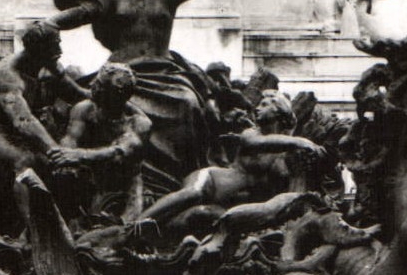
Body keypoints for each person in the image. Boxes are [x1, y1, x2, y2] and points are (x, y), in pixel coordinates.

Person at [44, 0, 241, 194]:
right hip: (121, 77)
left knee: (188, 103)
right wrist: (50, 25)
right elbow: (83, 13)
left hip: (164, 74)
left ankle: (182, 182)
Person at [135, 90, 325, 231]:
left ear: (278, 111)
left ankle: (155, 232)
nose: (257, 108)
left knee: (204, 215)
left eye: (265, 105)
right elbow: (259, 143)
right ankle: (136, 225)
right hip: (212, 180)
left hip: (228, 204)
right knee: (192, 193)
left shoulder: (286, 153)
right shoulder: (252, 133)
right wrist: (300, 141)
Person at [0, 22, 85, 235]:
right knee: (26, 160)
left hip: (28, 134)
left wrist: (95, 97)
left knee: (69, 166)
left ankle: (71, 223)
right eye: (54, 47)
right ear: (37, 50)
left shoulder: (48, 61)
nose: (60, 51)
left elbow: (73, 90)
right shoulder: (7, 75)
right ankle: (30, 231)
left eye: (59, 45)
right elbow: (23, 120)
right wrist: (56, 150)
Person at [48, 62, 153, 224]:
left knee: (125, 228)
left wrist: (78, 155)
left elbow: (118, 152)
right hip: (90, 176)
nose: (91, 85)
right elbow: (70, 140)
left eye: (98, 85)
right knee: (63, 173)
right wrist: (65, 157)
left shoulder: (139, 123)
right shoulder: (84, 109)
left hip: (123, 184)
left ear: (114, 95)